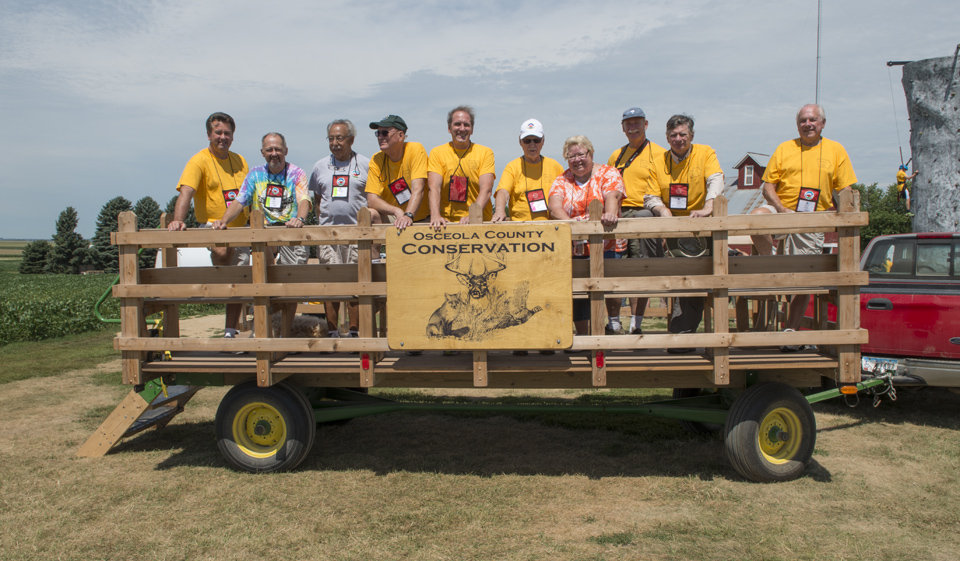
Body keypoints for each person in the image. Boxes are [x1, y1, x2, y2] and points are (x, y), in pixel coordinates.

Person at [748, 104, 857, 351]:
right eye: (803, 120)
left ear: (822, 123)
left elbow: (845, 188)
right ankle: (771, 263)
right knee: (755, 218)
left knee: (803, 278)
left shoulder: (836, 149)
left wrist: (841, 212)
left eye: (813, 120)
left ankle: (791, 331)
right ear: (797, 124)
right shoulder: (785, 148)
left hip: (813, 217)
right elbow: (767, 186)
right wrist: (782, 208)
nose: (808, 124)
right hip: (782, 209)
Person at [213, 132, 311, 338]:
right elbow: (240, 201)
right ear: (262, 152)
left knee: (290, 284)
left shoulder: (296, 173)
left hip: (290, 230)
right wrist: (224, 221)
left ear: (285, 150)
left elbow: (304, 200)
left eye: (277, 149)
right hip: (263, 234)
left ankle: (284, 332)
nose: (274, 154)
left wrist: (299, 219)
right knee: (263, 281)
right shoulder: (255, 174)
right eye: (269, 150)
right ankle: (264, 329)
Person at [644, 115, 724, 351]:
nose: (678, 139)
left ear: (691, 136)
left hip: (699, 227)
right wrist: (662, 211)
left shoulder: (706, 153)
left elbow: (715, 180)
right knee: (676, 281)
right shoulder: (658, 162)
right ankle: (679, 337)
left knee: (693, 283)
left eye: (682, 134)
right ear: (667, 137)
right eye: (673, 135)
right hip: (670, 229)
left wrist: (709, 206)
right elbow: (651, 196)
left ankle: (682, 337)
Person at [167, 112, 250, 342]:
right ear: (208, 135)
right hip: (214, 226)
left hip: (241, 228)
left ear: (233, 136)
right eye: (218, 132)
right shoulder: (199, 160)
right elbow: (187, 191)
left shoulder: (241, 161)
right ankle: (219, 285)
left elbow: (250, 194)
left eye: (227, 133)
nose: (222, 137)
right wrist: (178, 220)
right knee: (224, 252)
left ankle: (230, 331)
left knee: (240, 279)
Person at [548, 135, 625, 338]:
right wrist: (572, 226)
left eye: (581, 154)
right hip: (576, 245)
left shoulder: (608, 172)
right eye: (571, 156)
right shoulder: (562, 179)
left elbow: (613, 196)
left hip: (607, 242)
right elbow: (554, 207)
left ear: (590, 154)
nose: (577, 160)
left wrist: (609, 213)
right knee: (579, 292)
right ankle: (584, 336)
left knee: (609, 287)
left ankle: (614, 325)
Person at [607, 107, 667, 335]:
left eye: (637, 122)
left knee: (641, 268)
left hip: (646, 213)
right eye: (628, 123)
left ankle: (636, 323)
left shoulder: (660, 153)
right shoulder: (616, 156)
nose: (633, 127)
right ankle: (613, 322)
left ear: (646, 124)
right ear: (623, 128)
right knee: (615, 267)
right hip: (620, 215)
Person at [308, 119, 371, 338]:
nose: (335, 143)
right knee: (330, 285)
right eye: (331, 138)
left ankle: (354, 331)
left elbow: (371, 197)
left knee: (355, 284)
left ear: (351, 139)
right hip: (328, 234)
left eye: (340, 138)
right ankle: (332, 332)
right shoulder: (320, 166)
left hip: (356, 234)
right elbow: (317, 199)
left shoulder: (365, 164)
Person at [427, 106, 496, 228]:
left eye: (466, 125)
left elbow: (486, 190)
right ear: (449, 128)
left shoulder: (485, 153)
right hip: (446, 224)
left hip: (478, 222)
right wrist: (435, 215)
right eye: (457, 124)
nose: (462, 128)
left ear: (472, 129)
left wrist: (472, 217)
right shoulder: (437, 153)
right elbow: (434, 187)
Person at [491, 118, 564, 223]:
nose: (532, 144)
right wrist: (499, 210)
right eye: (527, 140)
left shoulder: (556, 166)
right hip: (521, 231)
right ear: (520, 142)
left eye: (536, 140)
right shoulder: (512, 167)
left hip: (551, 228)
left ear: (543, 141)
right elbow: (503, 192)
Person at [366, 115, 429, 230]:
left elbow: (418, 189)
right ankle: (372, 249)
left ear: (400, 135)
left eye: (384, 133)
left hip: (422, 218)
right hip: (396, 217)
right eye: (377, 133)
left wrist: (408, 215)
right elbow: (371, 200)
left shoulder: (415, 149)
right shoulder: (376, 159)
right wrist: (396, 211)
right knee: (370, 214)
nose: (380, 137)